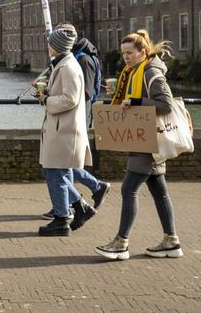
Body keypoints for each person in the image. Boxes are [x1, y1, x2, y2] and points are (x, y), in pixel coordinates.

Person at [95, 30, 183, 260]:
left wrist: (135, 101)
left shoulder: (151, 71)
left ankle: (121, 243)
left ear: (143, 52)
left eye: (130, 53)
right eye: (123, 54)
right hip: (144, 141)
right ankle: (171, 241)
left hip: (149, 142)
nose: (126, 57)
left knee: (128, 190)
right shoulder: (132, 72)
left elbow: (165, 105)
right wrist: (117, 96)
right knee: (160, 192)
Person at [38, 25, 110, 228]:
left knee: (55, 172)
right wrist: (46, 93)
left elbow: (70, 99)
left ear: (57, 45)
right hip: (61, 128)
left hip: (65, 129)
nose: (48, 46)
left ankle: (66, 215)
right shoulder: (64, 64)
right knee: (55, 172)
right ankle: (74, 209)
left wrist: (46, 98)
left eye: (50, 42)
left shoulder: (69, 67)